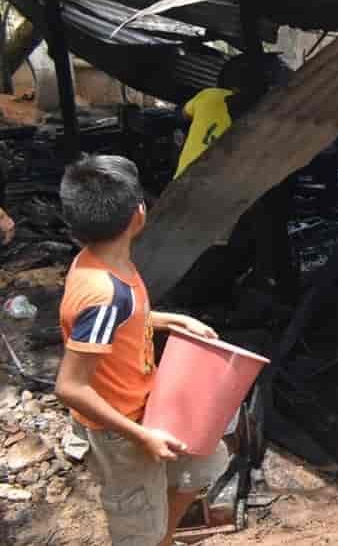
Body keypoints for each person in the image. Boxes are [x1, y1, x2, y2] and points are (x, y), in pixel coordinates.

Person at [55, 155, 229, 546]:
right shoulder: (103, 294)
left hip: (148, 404)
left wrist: (167, 320)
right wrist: (141, 436)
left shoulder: (103, 263)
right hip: (123, 431)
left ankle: (163, 537)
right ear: (138, 214)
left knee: (205, 463)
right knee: (138, 530)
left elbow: (118, 324)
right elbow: (70, 386)